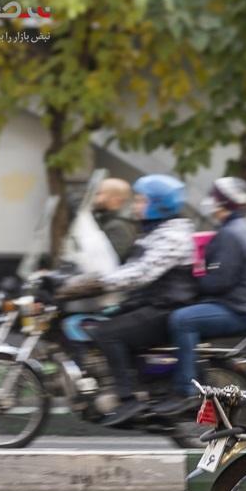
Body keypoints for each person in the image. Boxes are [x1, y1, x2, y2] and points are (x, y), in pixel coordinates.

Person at [58, 174, 197, 427]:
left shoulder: (173, 237)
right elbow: (127, 267)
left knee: (108, 333)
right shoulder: (156, 232)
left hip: (165, 307)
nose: (135, 205)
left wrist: (96, 283)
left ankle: (128, 398)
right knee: (101, 322)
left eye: (142, 201)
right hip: (151, 302)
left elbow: (142, 272)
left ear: (159, 205)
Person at [152, 177, 246, 415]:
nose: (210, 202)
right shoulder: (241, 229)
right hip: (241, 305)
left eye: (214, 197)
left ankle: (185, 389)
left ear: (223, 202)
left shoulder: (231, 234)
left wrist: (196, 278)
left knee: (182, 319)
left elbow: (219, 281)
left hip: (236, 309)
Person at [92, 177, 138, 262]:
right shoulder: (104, 220)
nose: (94, 198)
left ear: (115, 200)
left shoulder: (118, 227)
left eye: (98, 194)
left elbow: (107, 261)